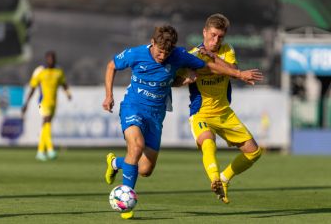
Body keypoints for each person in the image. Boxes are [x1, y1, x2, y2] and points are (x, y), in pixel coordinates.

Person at [102, 25, 262, 219]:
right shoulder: (135, 54)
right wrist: (109, 95)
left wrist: (238, 74)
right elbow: (111, 66)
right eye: (160, 52)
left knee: (144, 169)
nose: (162, 57)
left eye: (166, 53)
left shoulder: (178, 55)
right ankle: (126, 201)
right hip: (133, 107)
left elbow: (208, 66)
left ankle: (115, 162)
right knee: (136, 146)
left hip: (155, 115)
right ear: (152, 43)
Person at [184, 13, 263, 204]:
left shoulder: (227, 49)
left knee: (254, 152)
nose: (216, 40)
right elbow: (210, 68)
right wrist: (186, 77)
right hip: (201, 113)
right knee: (208, 143)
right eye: (212, 35)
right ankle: (215, 180)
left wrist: (214, 57)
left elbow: (232, 68)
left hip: (224, 113)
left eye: (220, 36)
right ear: (204, 32)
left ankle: (225, 178)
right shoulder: (193, 55)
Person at [22, 51, 72, 161]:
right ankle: (50, 149)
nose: (51, 60)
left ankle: (40, 152)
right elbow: (32, 88)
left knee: (45, 126)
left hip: (54, 103)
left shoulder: (58, 71)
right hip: (42, 102)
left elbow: (64, 84)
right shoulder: (39, 71)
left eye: (53, 58)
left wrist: (68, 93)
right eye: (49, 58)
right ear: (46, 59)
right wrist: (26, 103)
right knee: (47, 121)